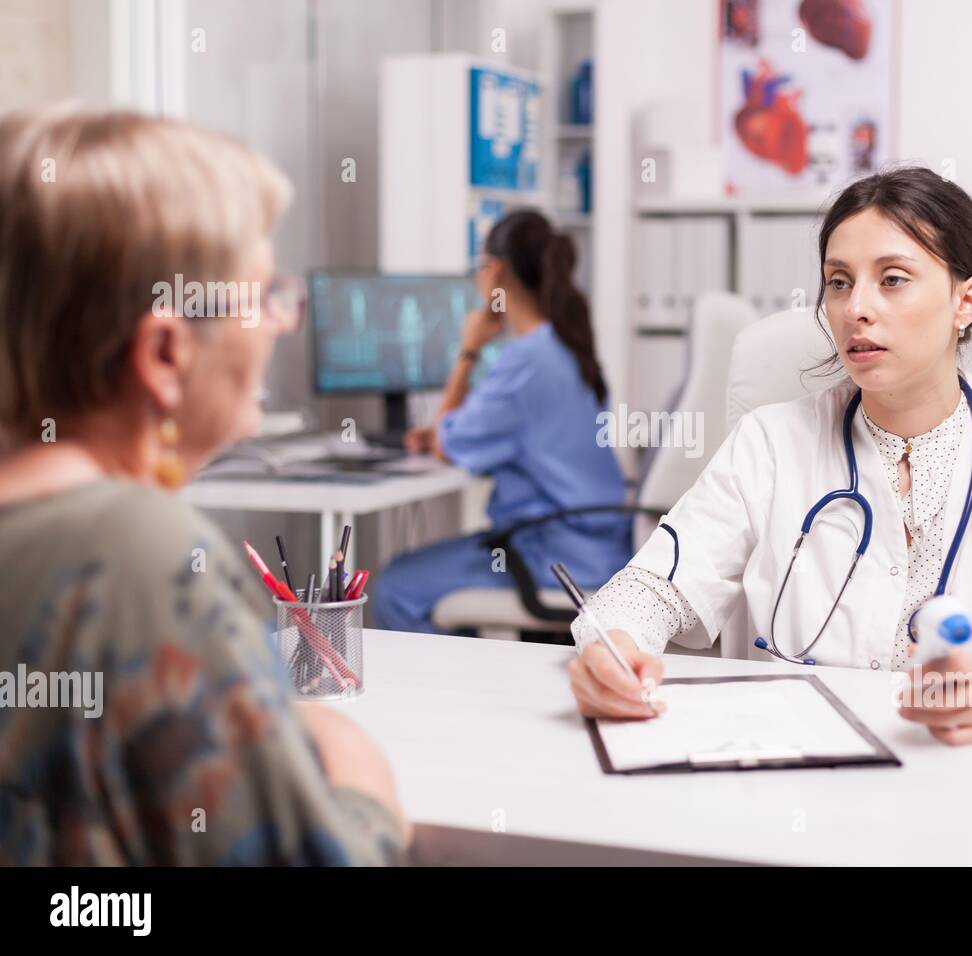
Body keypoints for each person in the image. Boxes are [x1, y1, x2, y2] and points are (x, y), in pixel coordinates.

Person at [566, 167, 972, 745]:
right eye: (839, 282)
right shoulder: (770, 444)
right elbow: (649, 590)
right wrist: (612, 648)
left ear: (965, 300)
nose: (856, 308)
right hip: (789, 778)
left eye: (892, 279)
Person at [0, 107, 409, 864]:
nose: (281, 323)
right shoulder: (133, 557)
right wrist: (362, 782)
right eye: (263, 295)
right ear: (165, 353)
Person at [371, 210, 630, 634]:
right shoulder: (562, 344)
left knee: (396, 586)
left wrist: (469, 348)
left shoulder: (526, 359)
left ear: (494, 272)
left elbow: (445, 445)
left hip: (553, 553)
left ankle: (442, 700)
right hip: (595, 547)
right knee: (418, 573)